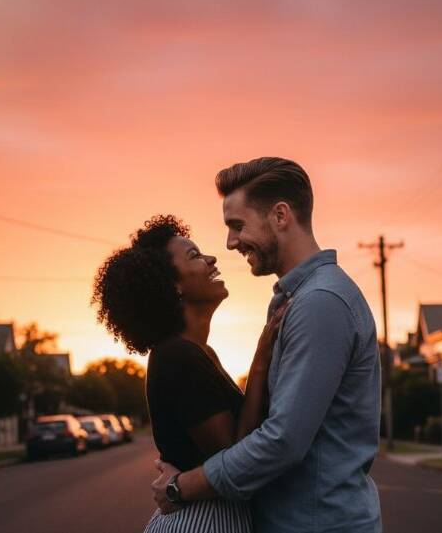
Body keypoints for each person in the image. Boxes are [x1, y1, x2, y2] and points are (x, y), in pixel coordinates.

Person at [151, 157, 382, 533]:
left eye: (237, 226)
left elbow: (282, 441)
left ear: (280, 216)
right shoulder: (295, 301)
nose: (229, 243)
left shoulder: (320, 302)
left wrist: (182, 486)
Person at [92, 214, 288, 532]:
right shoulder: (176, 356)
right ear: (173, 285)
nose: (211, 258)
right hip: (200, 521)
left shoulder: (195, 352)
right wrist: (261, 359)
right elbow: (234, 457)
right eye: (194, 255)